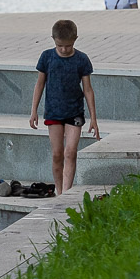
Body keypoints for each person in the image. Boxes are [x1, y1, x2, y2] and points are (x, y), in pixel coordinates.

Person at [28, 19, 99, 195]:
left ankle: (66, 192)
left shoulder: (81, 59)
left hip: (74, 111)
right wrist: (33, 111)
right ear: (53, 40)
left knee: (71, 152)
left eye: (68, 46)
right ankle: (59, 191)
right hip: (54, 111)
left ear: (75, 39)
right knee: (57, 154)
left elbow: (88, 90)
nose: (64, 49)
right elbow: (39, 85)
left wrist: (93, 119)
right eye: (60, 46)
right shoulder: (47, 57)